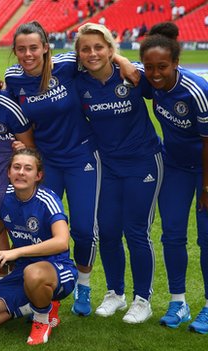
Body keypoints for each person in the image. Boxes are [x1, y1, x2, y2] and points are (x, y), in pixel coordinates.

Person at [4, 21, 138, 317]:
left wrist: (123, 59)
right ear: (15, 51)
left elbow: (96, 54)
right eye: (22, 49)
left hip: (82, 157)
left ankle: (84, 284)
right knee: (39, 226)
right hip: (46, 161)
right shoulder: (13, 78)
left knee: (83, 228)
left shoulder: (66, 66)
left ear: (45, 48)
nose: (28, 54)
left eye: (34, 48)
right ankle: (39, 286)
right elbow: (7, 110)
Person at [74, 23, 162, 323]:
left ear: (111, 49)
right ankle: (115, 293)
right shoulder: (78, 82)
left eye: (99, 47)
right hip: (107, 165)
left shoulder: (133, 74)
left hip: (143, 162)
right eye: (85, 48)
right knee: (108, 231)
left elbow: (165, 85)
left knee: (136, 231)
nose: (92, 53)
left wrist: (125, 62)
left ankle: (143, 299)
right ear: (79, 54)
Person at [0, 148, 77, 346]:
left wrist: (15, 252)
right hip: (22, 272)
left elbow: (61, 241)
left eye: (28, 168)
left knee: (34, 273)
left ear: (38, 175)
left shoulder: (47, 200)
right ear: (8, 173)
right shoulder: (3, 196)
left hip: (57, 269)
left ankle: (42, 320)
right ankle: (32, 306)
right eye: (16, 167)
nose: (21, 172)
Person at [140, 22, 208, 334]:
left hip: (206, 169)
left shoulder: (197, 91)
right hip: (175, 167)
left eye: (162, 67)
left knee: (206, 239)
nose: (155, 74)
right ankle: (178, 302)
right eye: (150, 67)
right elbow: (122, 68)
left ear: (176, 63)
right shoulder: (149, 81)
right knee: (172, 235)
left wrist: (207, 187)